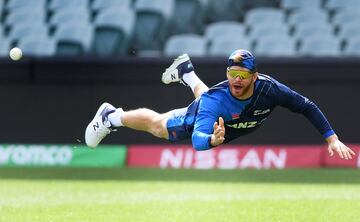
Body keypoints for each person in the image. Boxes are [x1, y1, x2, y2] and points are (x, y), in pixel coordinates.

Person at [85, 49, 355, 159]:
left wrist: (331, 138)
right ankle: (112, 117)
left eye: (243, 76)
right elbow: (198, 141)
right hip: (205, 119)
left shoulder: (270, 89)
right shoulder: (215, 101)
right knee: (158, 126)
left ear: (255, 76)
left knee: (210, 97)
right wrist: (212, 141)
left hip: (223, 112)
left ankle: (187, 72)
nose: (236, 80)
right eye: (232, 75)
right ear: (226, 74)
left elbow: (306, 106)